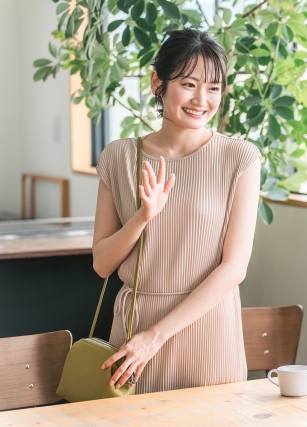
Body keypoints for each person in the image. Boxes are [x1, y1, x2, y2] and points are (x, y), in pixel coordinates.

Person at [92, 29, 261, 394]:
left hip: (208, 332)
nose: (202, 99)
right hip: (134, 336)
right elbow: (102, 264)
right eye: (188, 84)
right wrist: (142, 217)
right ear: (158, 82)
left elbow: (234, 269)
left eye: (214, 88)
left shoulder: (240, 158)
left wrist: (155, 338)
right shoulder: (118, 157)